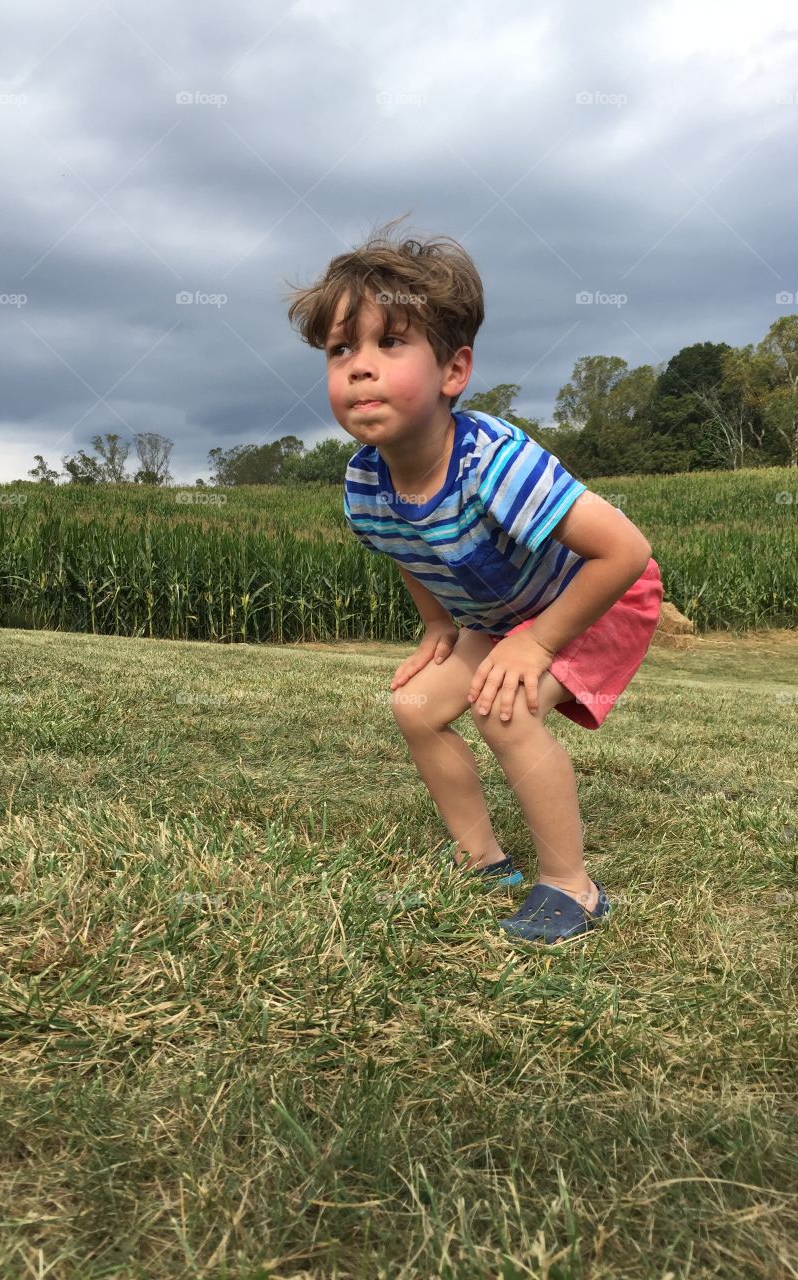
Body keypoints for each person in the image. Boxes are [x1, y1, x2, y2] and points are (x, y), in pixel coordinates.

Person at [283, 215, 663, 945]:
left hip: (594, 598)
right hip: (499, 617)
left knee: (504, 710)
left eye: (389, 342)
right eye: (340, 350)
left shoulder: (493, 463)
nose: (358, 365)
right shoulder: (366, 486)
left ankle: (572, 889)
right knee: (416, 705)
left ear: (453, 371)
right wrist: (438, 626)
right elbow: (406, 547)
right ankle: (482, 858)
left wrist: (539, 645)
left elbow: (626, 551)